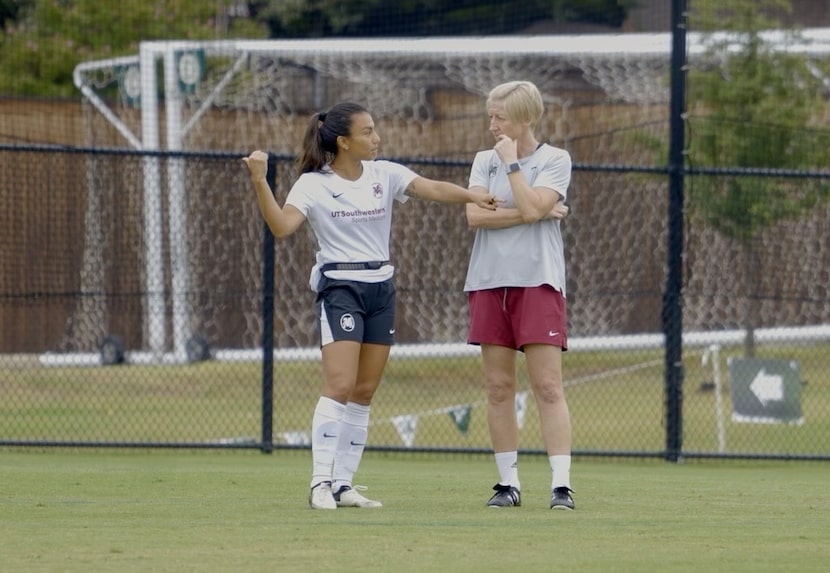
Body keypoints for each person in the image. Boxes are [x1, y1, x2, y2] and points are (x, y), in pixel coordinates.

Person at [243, 102, 497, 510]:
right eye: (368, 132)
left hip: (381, 288)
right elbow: (282, 227)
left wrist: (472, 195)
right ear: (343, 141)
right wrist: (259, 180)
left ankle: (343, 485)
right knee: (340, 385)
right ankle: (319, 484)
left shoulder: (385, 173)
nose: (376, 138)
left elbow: (429, 187)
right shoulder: (313, 184)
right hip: (341, 288)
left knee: (363, 392)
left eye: (376, 130)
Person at [463, 81, 574, 510]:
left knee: (547, 386)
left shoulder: (554, 160)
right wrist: (533, 213)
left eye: (500, 117)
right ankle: (507, 484)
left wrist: (513, 169)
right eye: (491, 116)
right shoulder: (481, 162)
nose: (492, 125)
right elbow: (475, 215)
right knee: (497, 386)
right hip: (489, 281)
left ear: (524, 118)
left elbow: (533, 207)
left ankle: (561, 485)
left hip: (538, 281)